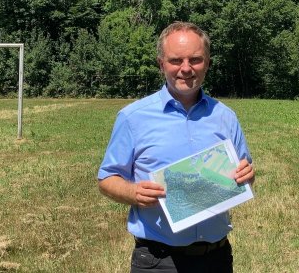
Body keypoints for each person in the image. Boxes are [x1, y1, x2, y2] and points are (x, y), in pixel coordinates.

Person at [98, 21, 255, 273]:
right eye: (175, 61)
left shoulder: (225, 116)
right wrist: (133, 192)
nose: (185, 69)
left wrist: (247, 175)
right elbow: (107, 178)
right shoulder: (133, 117)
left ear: (208, 63)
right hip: (159, 260)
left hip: (215, 257)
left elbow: (242, 173)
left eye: (195, 59)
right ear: (161, 64)